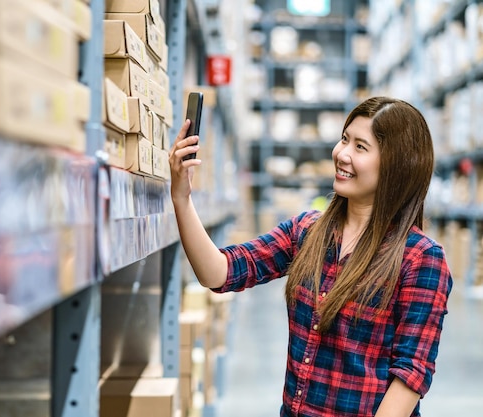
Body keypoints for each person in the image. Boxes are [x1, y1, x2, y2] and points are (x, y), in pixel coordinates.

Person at [169, 96, 452, 417]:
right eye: (345, 139)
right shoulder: (307, 231)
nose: (342, 154)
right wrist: (182, 197)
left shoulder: (420, 259)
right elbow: (219, 272)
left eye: (360, 147)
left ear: (396, 166)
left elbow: (410, 376)